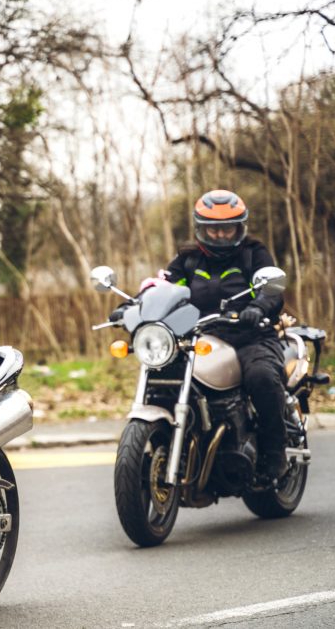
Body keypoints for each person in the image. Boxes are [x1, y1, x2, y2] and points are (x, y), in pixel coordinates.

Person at [113, 189, 289, 479]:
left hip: (250, 336)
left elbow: (271, 290)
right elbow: (160, 286)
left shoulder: (253, 254)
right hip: (198, 337)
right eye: (213, 230)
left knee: (262, 378)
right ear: (200, 229)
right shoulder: (189, 260)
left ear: (240, 227)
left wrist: (258, 307)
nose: (220, 236)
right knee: (167, 373)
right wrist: (130, 306)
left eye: (227, 229)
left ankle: (275, 451)